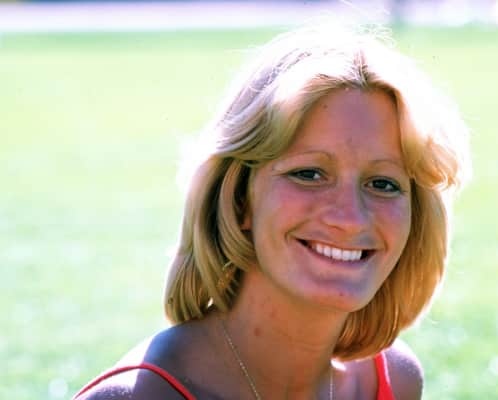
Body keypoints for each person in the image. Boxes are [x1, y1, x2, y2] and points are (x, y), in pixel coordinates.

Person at [74, 25, 470, 400]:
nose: (350, 218)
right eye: (309, 174)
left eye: (382, 183)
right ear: (239, 198)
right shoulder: (140, 395)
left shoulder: (393, 380)